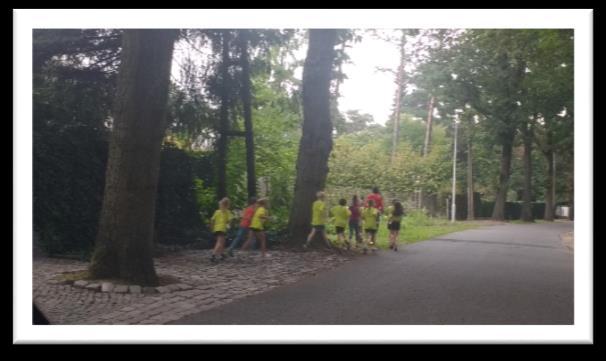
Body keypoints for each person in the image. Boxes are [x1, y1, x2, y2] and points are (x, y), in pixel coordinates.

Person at [209, 197, 232, 263]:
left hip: (216, 229)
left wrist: (212, 227)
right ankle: (213, 255)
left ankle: (222, 254)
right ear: (227, 205)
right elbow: (230, 220)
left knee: (222, 241)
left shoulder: (217, 212)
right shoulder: (227, 212)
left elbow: (212, 220)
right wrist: (229, 226)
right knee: (219, 242)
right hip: (222, 228)